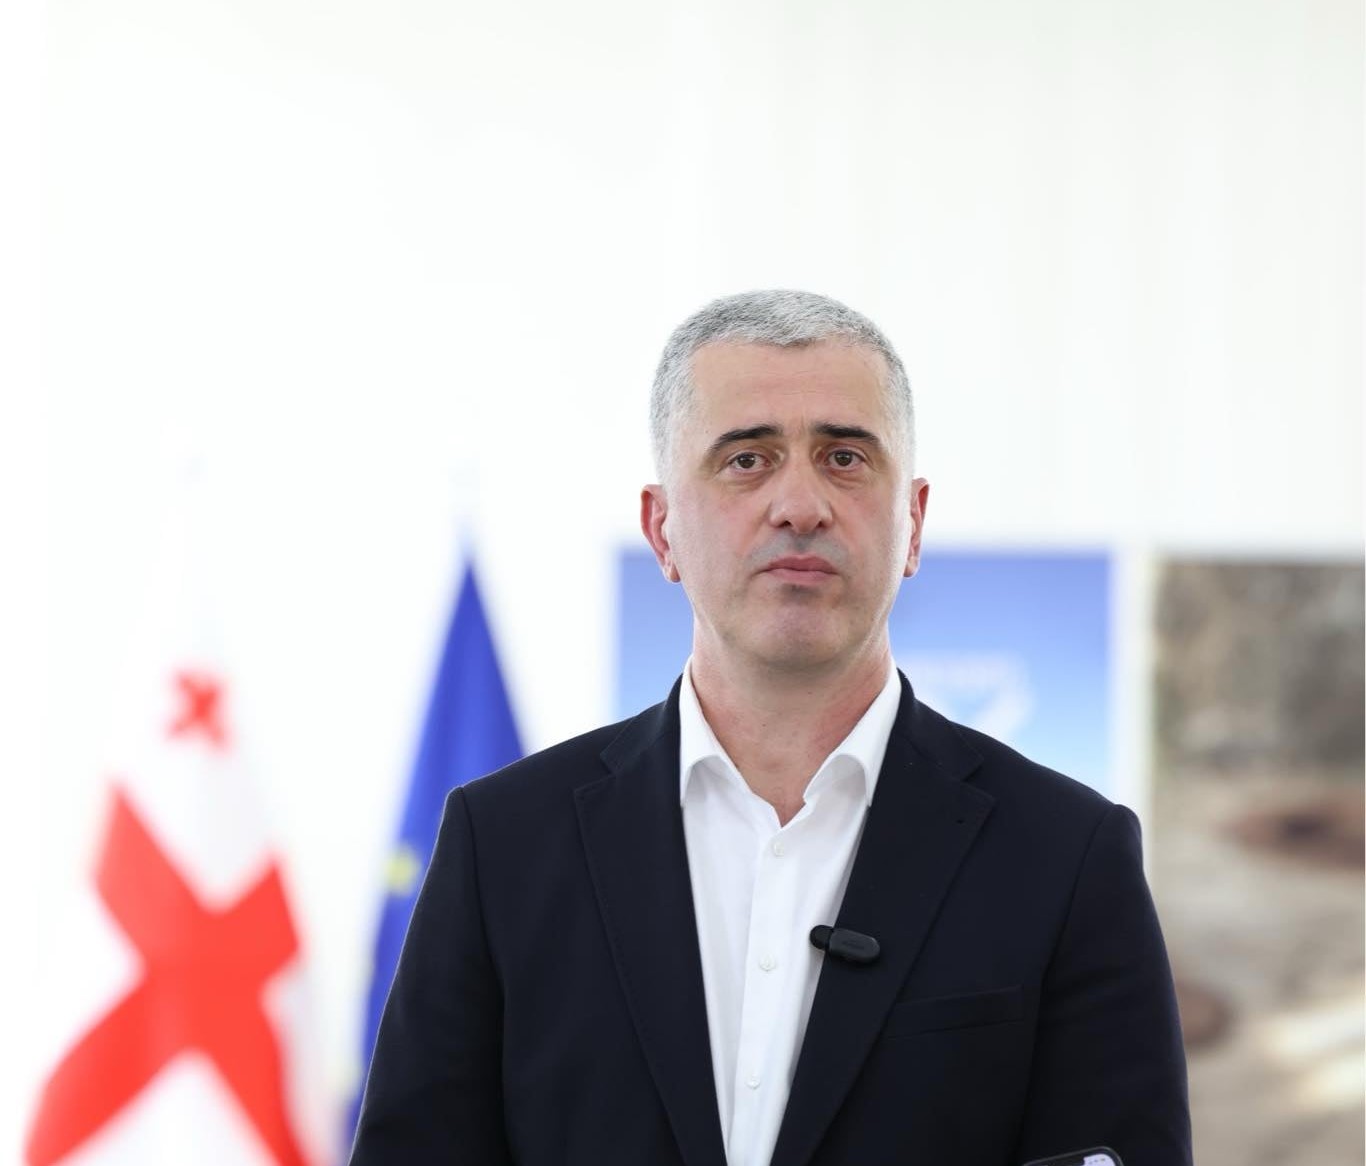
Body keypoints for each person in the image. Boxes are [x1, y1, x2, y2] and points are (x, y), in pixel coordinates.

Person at [350, 290, 1192, 1166]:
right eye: (747, 460)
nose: (800, 504)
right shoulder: (504, 844)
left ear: (913, 524)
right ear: (662, 529)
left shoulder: (1066, 856)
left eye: (844, 458)